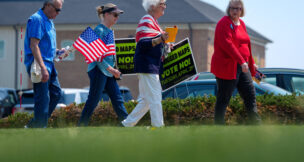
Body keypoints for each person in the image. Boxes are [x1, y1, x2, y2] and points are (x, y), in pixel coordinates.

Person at [210, 0, 261, 125]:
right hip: (227, 66)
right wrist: (242, 61)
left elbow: (246, 44)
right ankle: (218, 128)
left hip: (242, 66)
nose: (235, 11)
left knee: (250, 95)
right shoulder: (224, 23)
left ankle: (256, 126)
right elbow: (228, 44)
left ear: (241, 10)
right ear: (229, 9)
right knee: (224, 98)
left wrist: (251, 62)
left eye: (238, 9)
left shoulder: (241, 23)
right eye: (232, 8)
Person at [78, 3, 128, 126]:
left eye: (118, 15)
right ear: (106, 14)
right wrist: (112, 70)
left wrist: (113, 69)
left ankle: (128, 124)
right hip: (98, 70)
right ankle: (81, 126)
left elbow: (109, 55)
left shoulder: (109, 31)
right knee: (93, 100)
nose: (117, 17)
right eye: (115, 14)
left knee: (118, 99)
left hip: (108, 71)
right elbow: (96, 56)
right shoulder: (99, 30)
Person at [121, 0, 169, 127]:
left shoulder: (154, 22)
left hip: (150, 65)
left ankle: (126, 125)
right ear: (152, 6)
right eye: (162, 3)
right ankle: (158, 127)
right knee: (155, 98)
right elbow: (143, 43)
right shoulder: (146, 20)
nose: (164, 6)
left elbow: (154, 42)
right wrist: (160, 39)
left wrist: (166, 44)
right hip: (148, 65)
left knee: (147, 100)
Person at [24, 0, 65, 128]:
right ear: (47, 5)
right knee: (43, 98)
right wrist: (42, 68)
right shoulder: (37, 19)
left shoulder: (50, 21)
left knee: (56, 93)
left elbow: (47, 47)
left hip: (49, 63)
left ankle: (34, 125)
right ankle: (39, 128)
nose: (58, 13)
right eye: (56, 9)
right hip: (39, 64)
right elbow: (34, 45)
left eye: (60, 10)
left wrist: (59, 52)